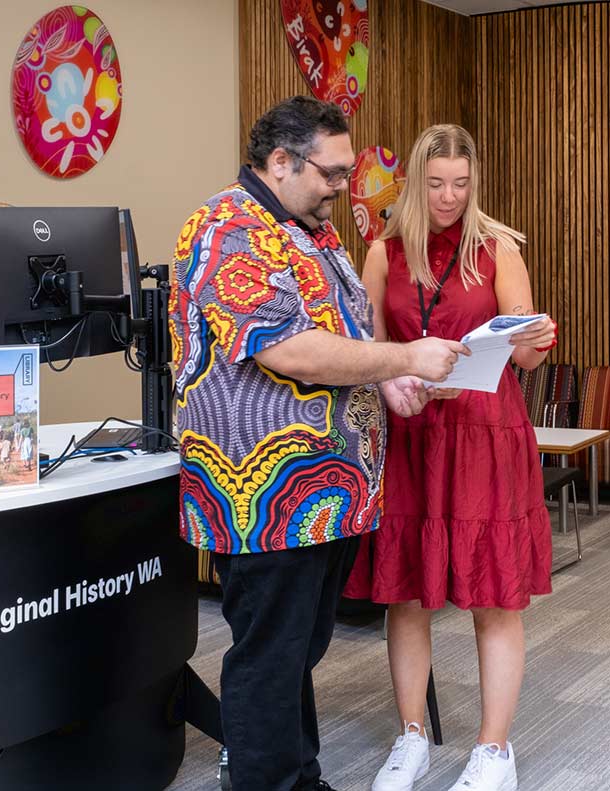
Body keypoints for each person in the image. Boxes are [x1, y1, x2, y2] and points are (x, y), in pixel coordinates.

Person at [170, 96, 470, 791]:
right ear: (280, 161)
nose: (343, 185)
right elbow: (290, 351)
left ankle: (296, 774)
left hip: (330, 491)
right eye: (331, 172)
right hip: (266, 493)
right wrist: (404, 360)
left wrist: (386, 385)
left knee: (299, 646)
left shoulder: (314, 231)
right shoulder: (226, 228)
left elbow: (347, 339)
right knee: (271, 654)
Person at [347, 124, 557, 791]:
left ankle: (494, 749)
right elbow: (366, 348)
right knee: (407, 593)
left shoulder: (498, 249)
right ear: (415, 180)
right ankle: (411, 736)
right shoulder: (383, 251)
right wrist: (390, 377)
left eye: (461, 184)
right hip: (411, 433)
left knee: (494, 594)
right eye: (436, 183)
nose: (448, 197)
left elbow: (524, 351)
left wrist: (538, 337)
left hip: (484, 434)